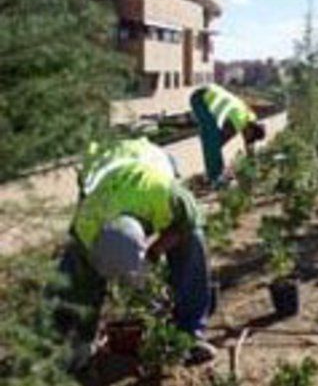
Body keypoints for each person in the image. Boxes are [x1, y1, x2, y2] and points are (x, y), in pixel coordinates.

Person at [53, 138, 214, 368]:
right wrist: (83, 339)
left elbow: (187, 224)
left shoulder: (168, 196)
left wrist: (155, 251)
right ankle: (70, 338)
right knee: (76, 270)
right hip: (99, 165)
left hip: (150, 157)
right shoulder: (86, 224)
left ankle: (189, 332)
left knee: (192, 241)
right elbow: (84, 282)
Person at [190, 83, 266, 186]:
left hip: (208, 91)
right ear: (250, 130)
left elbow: (249, 146)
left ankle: (213, 174)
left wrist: (253, 170)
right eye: (250, 137)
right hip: (201, 98)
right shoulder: (238, 120)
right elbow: (219, 141)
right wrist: (226, 170)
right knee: (213, 140)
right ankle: (216, 177)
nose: (247, 139)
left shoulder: (251, 118)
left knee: (212, 141)